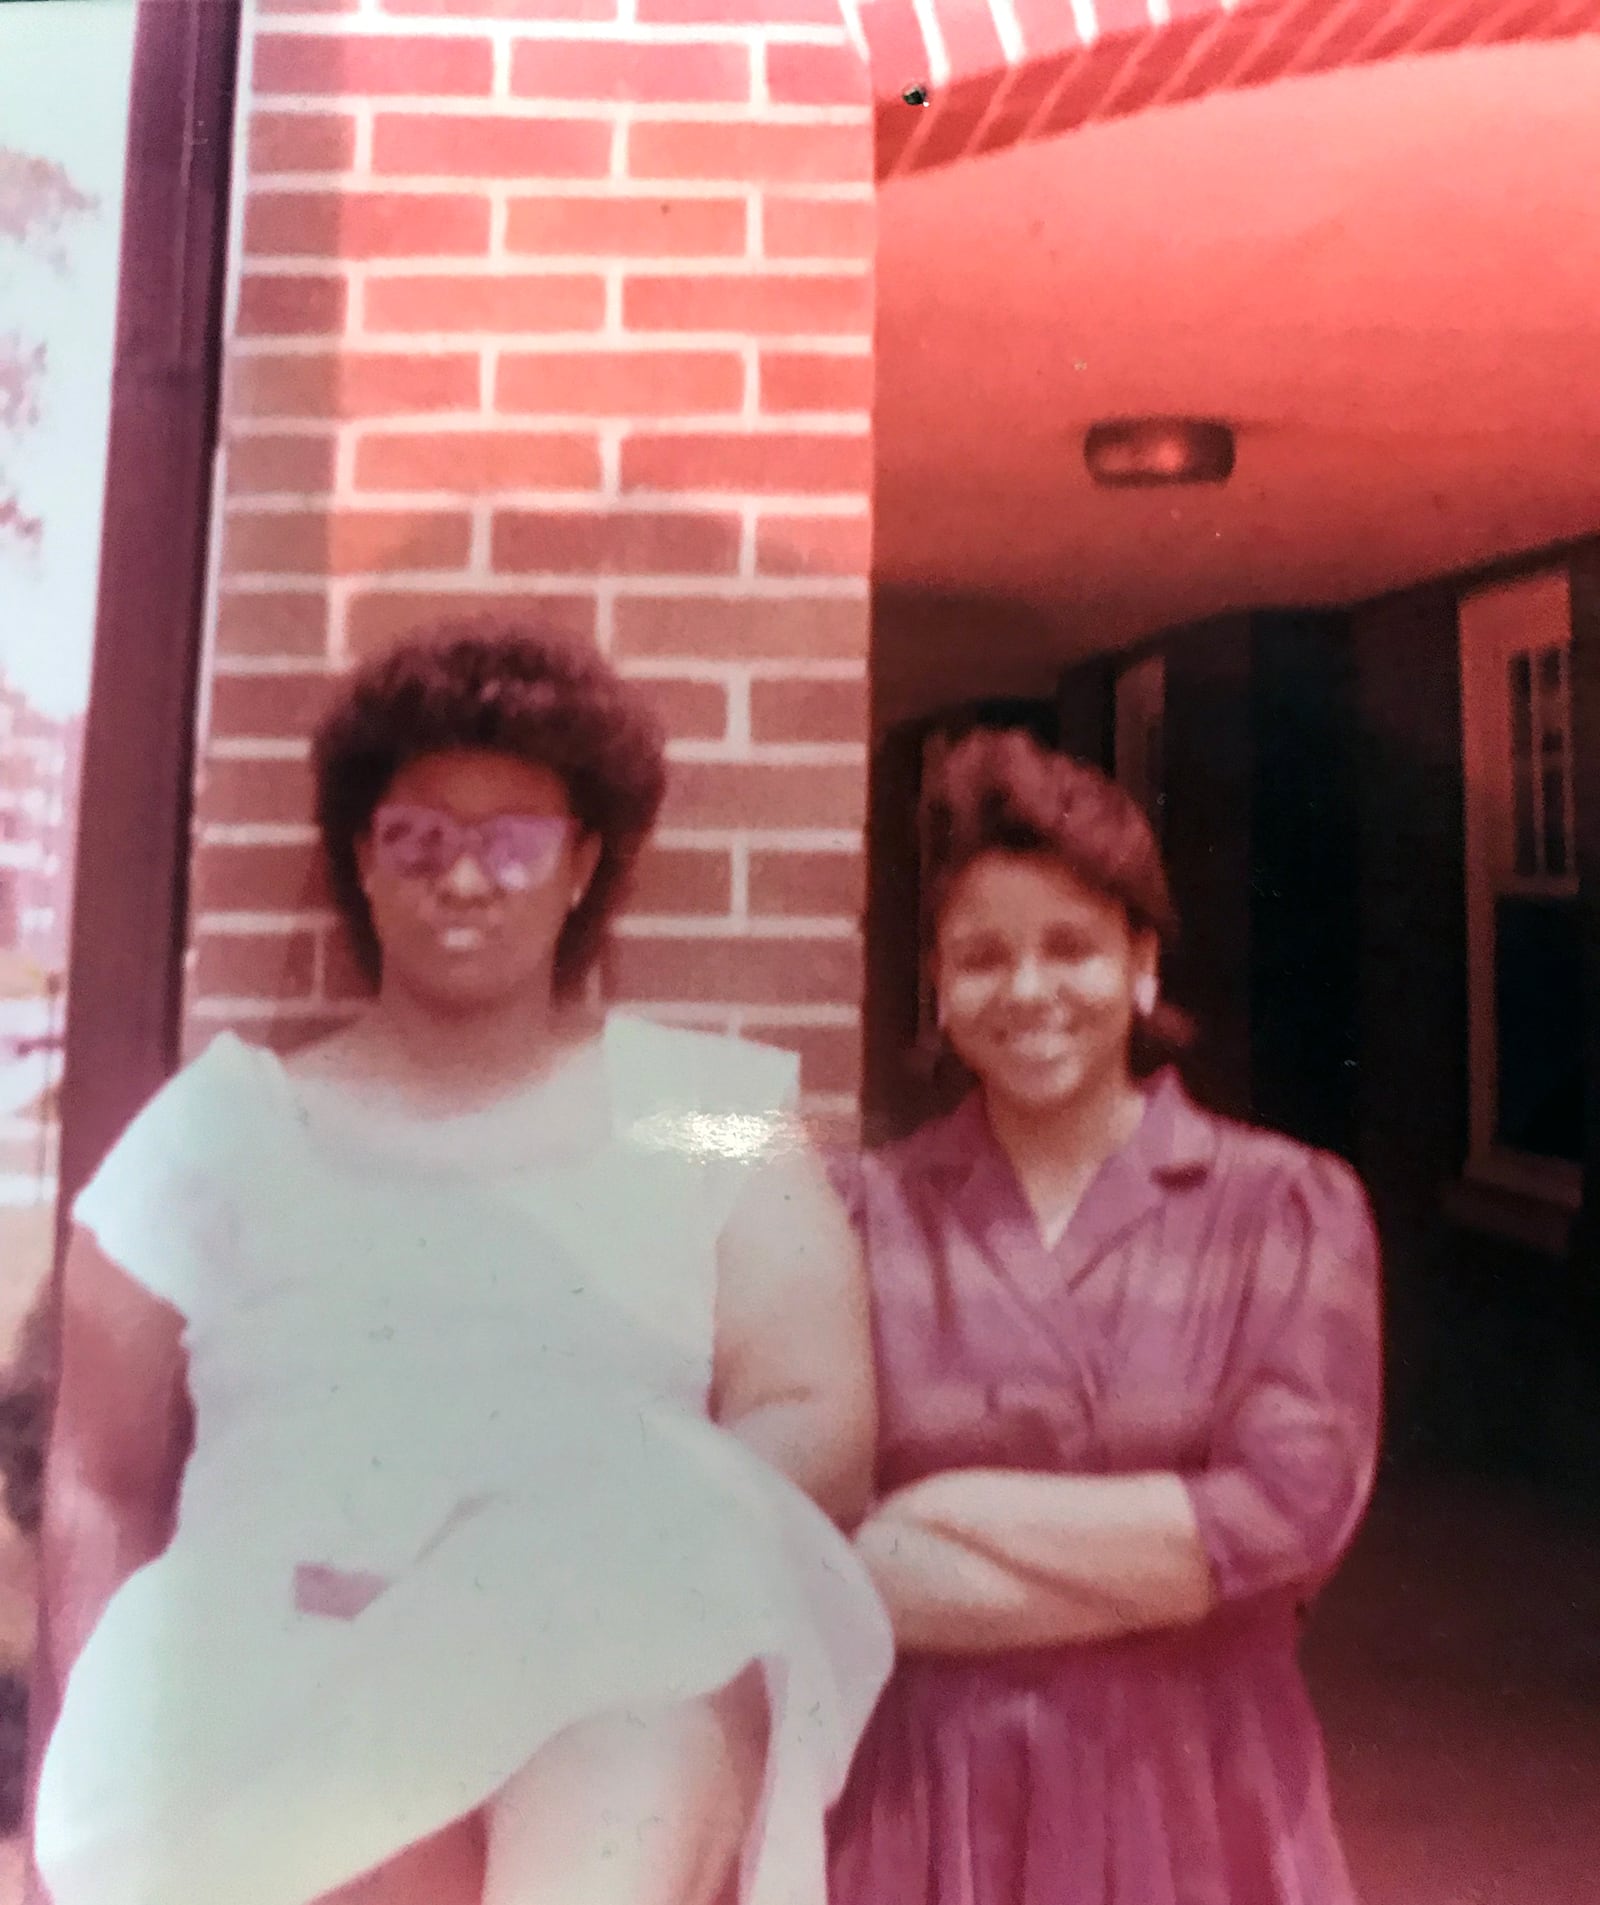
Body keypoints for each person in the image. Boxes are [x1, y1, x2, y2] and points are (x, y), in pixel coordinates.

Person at [30, 622, 893, 1905]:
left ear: (582, 862)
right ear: (363, 868)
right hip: (263, 1686)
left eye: (514, 842)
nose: (465, 880)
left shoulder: (692, 1106)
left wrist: (543, 1547)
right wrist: (85, 1744)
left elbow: (820, 1417)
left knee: (636, 1740)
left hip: (596, 1658)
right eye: (418, 840)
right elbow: (98, 1479)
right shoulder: (226, 1126)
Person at [827, 727, 1383, 1905]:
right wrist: (1164, 1569)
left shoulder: (1280, 1206)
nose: (1027, 990)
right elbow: (822, 1557)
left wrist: (945, 1510)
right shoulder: (860, 1217)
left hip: (1199, 1794)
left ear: (1141, 965)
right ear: (936, 983)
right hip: (934, 1803)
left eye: (1070, 947)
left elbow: (1286, 1518)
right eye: (981, 956)